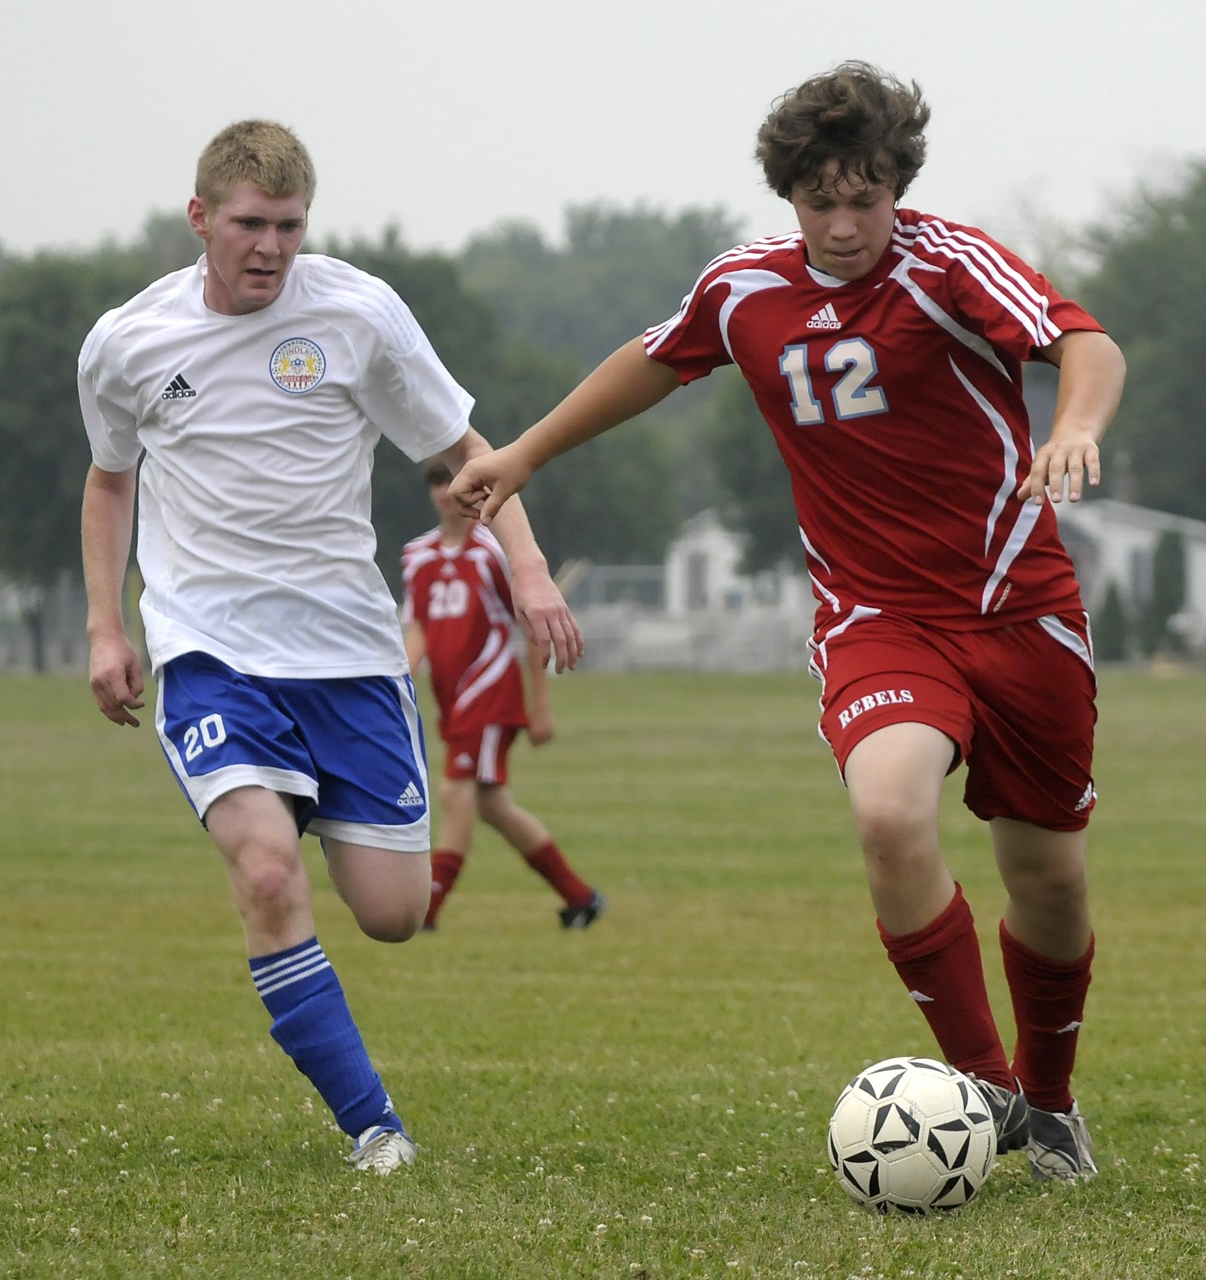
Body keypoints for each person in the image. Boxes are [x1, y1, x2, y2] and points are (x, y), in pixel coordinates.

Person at [448, 63, 1126, 1183]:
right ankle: (985, 1090)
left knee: (1047, 880)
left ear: (896, 187)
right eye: (821, 201)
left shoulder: (950, 263)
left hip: (1020, 611)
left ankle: (1049, 1099)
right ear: (788, 196)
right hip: (877, 619)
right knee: (888, 816)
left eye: (866, 197)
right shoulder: (742, 289)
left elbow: (1085, 344)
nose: (845, 223)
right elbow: (651, 362)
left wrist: (1073, 426)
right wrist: (520, 452)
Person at [77, 119, 581, 1175]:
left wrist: (527, 570)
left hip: (348, 658)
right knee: (265, 870)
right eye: (250, 224)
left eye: (290, 226)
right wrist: (107, 623)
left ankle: (290, 799)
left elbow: (465, 450)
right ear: (200, 218)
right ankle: (374, 1125)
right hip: (210, 648)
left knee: (393, 914)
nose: (269, 247)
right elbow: (111, 478)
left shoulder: (355, 315)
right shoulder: (127, 342)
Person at [401, 461, 606, 931]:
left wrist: (541, 705)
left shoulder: (492, 550)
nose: (443, 491)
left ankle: (427, 912)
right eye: (434, 482)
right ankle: (580, 898)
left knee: (456, 794)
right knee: (491, 805)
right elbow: (418, 631)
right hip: (453, 698)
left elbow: (529, 623)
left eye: (449, 479)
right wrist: (398, 683)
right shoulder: (417, 556)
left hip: (489, 690)